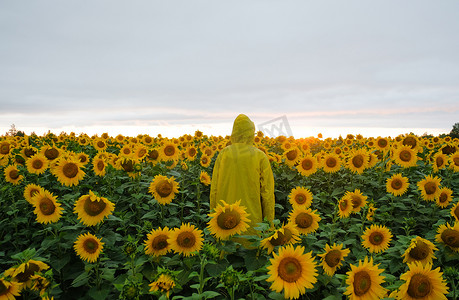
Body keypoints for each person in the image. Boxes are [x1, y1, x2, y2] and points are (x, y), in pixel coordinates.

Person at [210, 114, 275, 246]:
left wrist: (214, 219)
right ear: (252, 133)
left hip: (224, 223)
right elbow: (267, 194)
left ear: (234, 132)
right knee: (250, 260)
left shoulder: (223, 154)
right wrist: (269, 225)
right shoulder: (259, 156)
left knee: (227, 257)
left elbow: (214, 190)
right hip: (252, 224)